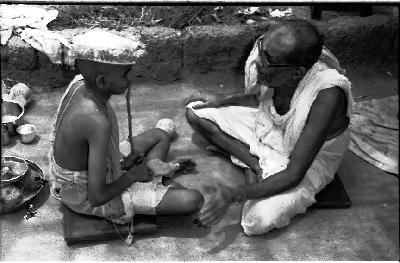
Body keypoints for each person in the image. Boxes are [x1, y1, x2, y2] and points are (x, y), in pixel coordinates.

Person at [186, 19, 354, 235]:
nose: (258, 63)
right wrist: (222, 101)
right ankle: (254, 166)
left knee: (255, 221)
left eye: (267, 60)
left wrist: (232, 194)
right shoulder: (274, 65)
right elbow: (262, 99)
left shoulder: (328, 94)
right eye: (262, 52)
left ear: (297, 72)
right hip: (271, 129)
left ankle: (253, 169)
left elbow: (294, 173)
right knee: (195, 111)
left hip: (307, 159)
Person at [48, 31, 203, 226]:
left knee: (160, 135)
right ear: (102, 81)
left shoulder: (80, 83)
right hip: (84, 195)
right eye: (125, 74)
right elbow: (96, 197)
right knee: (193, 200)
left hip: (100, 165)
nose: (131, 79)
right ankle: (152, 179)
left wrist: (124, 163)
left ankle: (153, 176)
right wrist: (132, 175)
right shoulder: (96, 122)